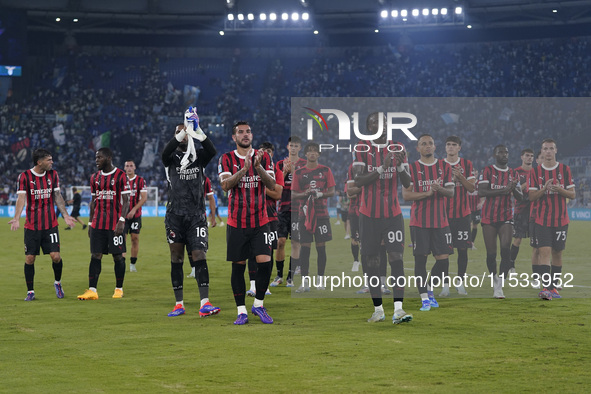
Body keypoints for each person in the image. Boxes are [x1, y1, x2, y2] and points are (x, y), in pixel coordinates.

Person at [352, 112, 412, 324]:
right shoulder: (361, 147)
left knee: (396, 258)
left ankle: (398, 309)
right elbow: (358, 181)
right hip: (368, 215)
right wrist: (383, 167)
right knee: (372, 261)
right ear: (369, 127)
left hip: (393, 214)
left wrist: (400, 166)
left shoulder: (398, 147)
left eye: (384, 122)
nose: (381, 125)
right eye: (375, 122)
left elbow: (407, 183)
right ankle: (378, 309)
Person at [161, 108, 220, 317]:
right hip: (175, 215)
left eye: (186, 132)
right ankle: (179, 304)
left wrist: (198, 131)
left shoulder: (198, 157)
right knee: (176, 257)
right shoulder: (170, 160)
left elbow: (212, 151)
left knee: (199, 254)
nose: (184, 134)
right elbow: (164, 152)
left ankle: (205, 302)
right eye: (180, 132)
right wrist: (182, 130)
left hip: (196, 216)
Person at [219, 121, 277, 325]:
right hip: (237, 222)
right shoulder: (226, 159)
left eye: (248, 131)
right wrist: (243, 170)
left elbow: (272, 184)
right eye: (241, 132)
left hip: (261, 221)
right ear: (234, 138)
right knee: (238, 266)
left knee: (265, 263)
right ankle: (241, 310)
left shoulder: (264, 157)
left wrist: (258, 167)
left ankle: (258, 305)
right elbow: (225, 185)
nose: (246, 135)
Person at [9, 148, 76, 300]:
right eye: (49, 160)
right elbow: (21, 198)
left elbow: (57, 196)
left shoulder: (53, 175)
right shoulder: (25, 176)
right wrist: (16, 217)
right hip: (32, 225)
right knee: (30, 258)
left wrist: (65, 215)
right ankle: (30, 292)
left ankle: (57, 283)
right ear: (39, 162)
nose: (52, 162)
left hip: (50, 224)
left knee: (56, 256)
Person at [403, 134, 455, 312]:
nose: (427, 146)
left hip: (440, 221)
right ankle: (425, 298)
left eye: (430, 143)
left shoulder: (444, 167)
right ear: (418, 148)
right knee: (420, 261)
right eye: (423, 144)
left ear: (434, 147)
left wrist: (439, 189)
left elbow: (451, 193)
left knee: (443, 261)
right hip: (419, 222)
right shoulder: (412, 168)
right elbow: (406, 195)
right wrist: (426, 194)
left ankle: (429, 289)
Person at [77, 147, 131, 300]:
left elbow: (126, 200)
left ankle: (119, 289)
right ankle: (92, 290)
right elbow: (93, 202)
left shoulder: (121, 175)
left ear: (108, 157)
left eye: (99, 158)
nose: (96, 161)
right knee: (95, 255)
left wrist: (122, 220)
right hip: (98, 223)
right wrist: (89, 223)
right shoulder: (94, 177)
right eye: (96, 158)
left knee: (118, 256)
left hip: (115, 224)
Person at [529, 139, 575, 300]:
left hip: (561, 219)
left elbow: (572, 194)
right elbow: (532, 196)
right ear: (541, 152)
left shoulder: (565, 169)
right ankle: (546, 288)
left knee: (557, 253)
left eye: (551, 148)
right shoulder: (535, 172)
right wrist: (544, 189)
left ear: (556, 151)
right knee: (544, 252)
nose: (548, 151)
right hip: (542, 220)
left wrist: (559, 189)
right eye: (545, 149)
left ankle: (553, 288)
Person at [478, 145, 523, 299]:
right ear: (494, 154)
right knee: (491, 254)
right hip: (488, 217)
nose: (504, 155)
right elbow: (482, 191)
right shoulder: (487, 171)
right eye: (501, 152)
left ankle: (499, 285)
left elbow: (520, 197)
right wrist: (504, 190)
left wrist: (514, 188)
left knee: (506, 250)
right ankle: (494, 278)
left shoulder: (513, 173)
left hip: (506, 216)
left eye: (506, 152)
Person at [291, 142, 336, 292]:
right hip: (304, 215)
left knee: (321, 248)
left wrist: (320, 194)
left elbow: (332, 191)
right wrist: (305, 194)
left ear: (318, 154)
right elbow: (293, 194)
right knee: (305, 248)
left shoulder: (325, 170)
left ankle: (320, 281)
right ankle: (304, 283)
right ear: (305, 154)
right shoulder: (299, 173)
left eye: (315, 151)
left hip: (322, 215)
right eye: (309, 151)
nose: (312, 153)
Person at [246, 142, 284, 297]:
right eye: (262, 151)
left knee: (268, 252)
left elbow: (278, 195)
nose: (265, 154)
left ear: (272, 154)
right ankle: (253, 285)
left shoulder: (277, 171)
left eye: (268, 151)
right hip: (252, 215)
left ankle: (264, 285)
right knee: (251, 253)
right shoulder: (249, 168)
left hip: (270, 217)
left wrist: (259, 187)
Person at [440, 136, 476, 296]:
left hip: (463, 215)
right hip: (443, 215)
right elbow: (437, 187)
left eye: (454, 145)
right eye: (448, 145)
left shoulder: (467, 165)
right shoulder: (439, 165)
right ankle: (445, 285)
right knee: (444, 251)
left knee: (463, 250)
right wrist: (450, 180)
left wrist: (460, 177)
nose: (451, 147)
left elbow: (471, 188)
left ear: (459, 147)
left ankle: (460, 282)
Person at [272, 136, 307, 287]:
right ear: (287, 147)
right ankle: (279, 275)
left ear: (300, 148)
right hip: (283, 209)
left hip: (298, 209)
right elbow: (273, 185)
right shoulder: (280, 164)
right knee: (280, 242)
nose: (293, 148)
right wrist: (284, 173)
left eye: (296, 146)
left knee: (295, 243)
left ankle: (290, 277)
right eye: (291, 145)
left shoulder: (305, 165)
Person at [509, 149, 534, 274]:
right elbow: (511, 190)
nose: (529, 158)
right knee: (518, 239)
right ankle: (511, 264)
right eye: (527, 156)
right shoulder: (516, 172)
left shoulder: (537, 172)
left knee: (536, 242)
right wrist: (524, 185)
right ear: (522, 157)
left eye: (531, 156)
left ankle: (538, 272)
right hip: (520, 210)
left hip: (535, 210)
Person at [187, 175, 217, 278]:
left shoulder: (205, 179)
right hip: (185, 217)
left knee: (199, 245)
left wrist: (213, 218)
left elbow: (211, 198)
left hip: (199, 217)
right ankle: (194, 270)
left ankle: (199, 269)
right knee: (189, 246)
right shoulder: (183, 176)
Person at [123, 160, 148, 272]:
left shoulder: (140, 181)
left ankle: (132, 264)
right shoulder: (120, 180)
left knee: (135, 238)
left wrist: (133, 209)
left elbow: (144, 198)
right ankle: (121, 264)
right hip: (122, 216)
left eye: (131, 166)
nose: (129, 168)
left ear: (134, 167)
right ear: (124, 168)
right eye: (127, 166)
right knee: (122, 239)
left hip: (135, 215)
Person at [345, 162, 361, 272]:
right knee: (354, 239)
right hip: (354, 210)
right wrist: (363, 191)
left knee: (368, 239)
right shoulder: (351, 171)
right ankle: (356, 261)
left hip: (368, 209)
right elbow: (349, 194)